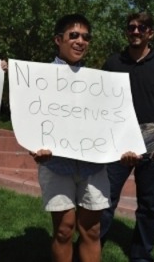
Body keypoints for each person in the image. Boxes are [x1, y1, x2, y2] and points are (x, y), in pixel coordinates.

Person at [100, 12, 154, 262]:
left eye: (142, 27)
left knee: (149, 205)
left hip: (151, 135)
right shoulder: (113, 63)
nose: (136, 31)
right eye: (131, 27)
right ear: (126, 32)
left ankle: (140, 256)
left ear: (151, 33)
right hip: (118, 136)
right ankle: (91, 247)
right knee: (104, 199)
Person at [31, 14, 109, 262]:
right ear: (58, 40)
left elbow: (111, 121)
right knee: (64, 230)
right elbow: (30, 117)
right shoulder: (38, 77)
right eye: (73, 35)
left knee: (92, 230)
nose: (80, 41)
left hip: (92, 165)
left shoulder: (99, 82)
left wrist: (123, 148)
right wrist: (35, 146)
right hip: (56, 165)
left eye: (86, 37)